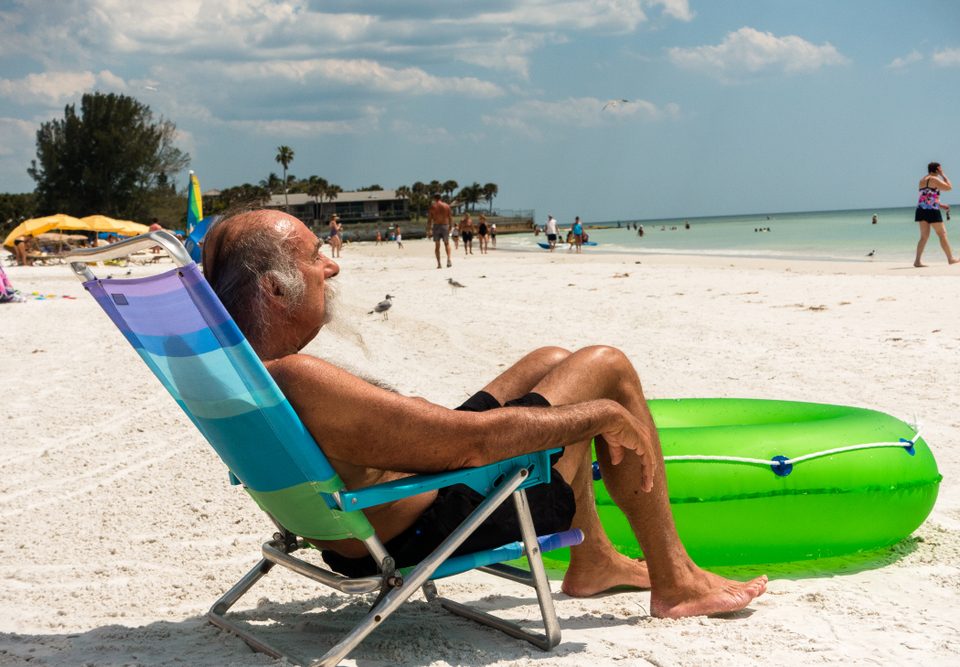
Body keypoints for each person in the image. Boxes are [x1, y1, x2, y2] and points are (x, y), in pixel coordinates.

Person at [201, 209, 767, 618]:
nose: (332, 267)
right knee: (606, 367)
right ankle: (677, 580)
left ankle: (593, 559)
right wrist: (598, 415)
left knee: (550, 361)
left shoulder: (234, 371)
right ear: (275, 289)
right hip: (433, 522)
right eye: (313, 257)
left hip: (371, 510)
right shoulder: (298, 378)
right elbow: (471, 446)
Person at [914, 162, 959, 267]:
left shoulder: (922, 180)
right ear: (937, 169)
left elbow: (927, 197)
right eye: (940, 169)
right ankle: (951, 259)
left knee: (924, 237)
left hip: (921, 210)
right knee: (942, 234)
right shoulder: (934, 179)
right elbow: (949, 187)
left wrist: (941, 205)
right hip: (932, 211)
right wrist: (943, 175)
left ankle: (917, 261)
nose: (941, 171)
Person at [427, 193, 453, 269]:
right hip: (445, 226)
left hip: (436, 226)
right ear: (440, 198)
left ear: (434, 198)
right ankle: (448, 259)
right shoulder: (447, 206)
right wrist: (450, 226)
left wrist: (429, 230)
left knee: (437, 246)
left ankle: (439, 264)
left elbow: (429, 220)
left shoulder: (432, 206)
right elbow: (450, 217)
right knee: (447, 244)